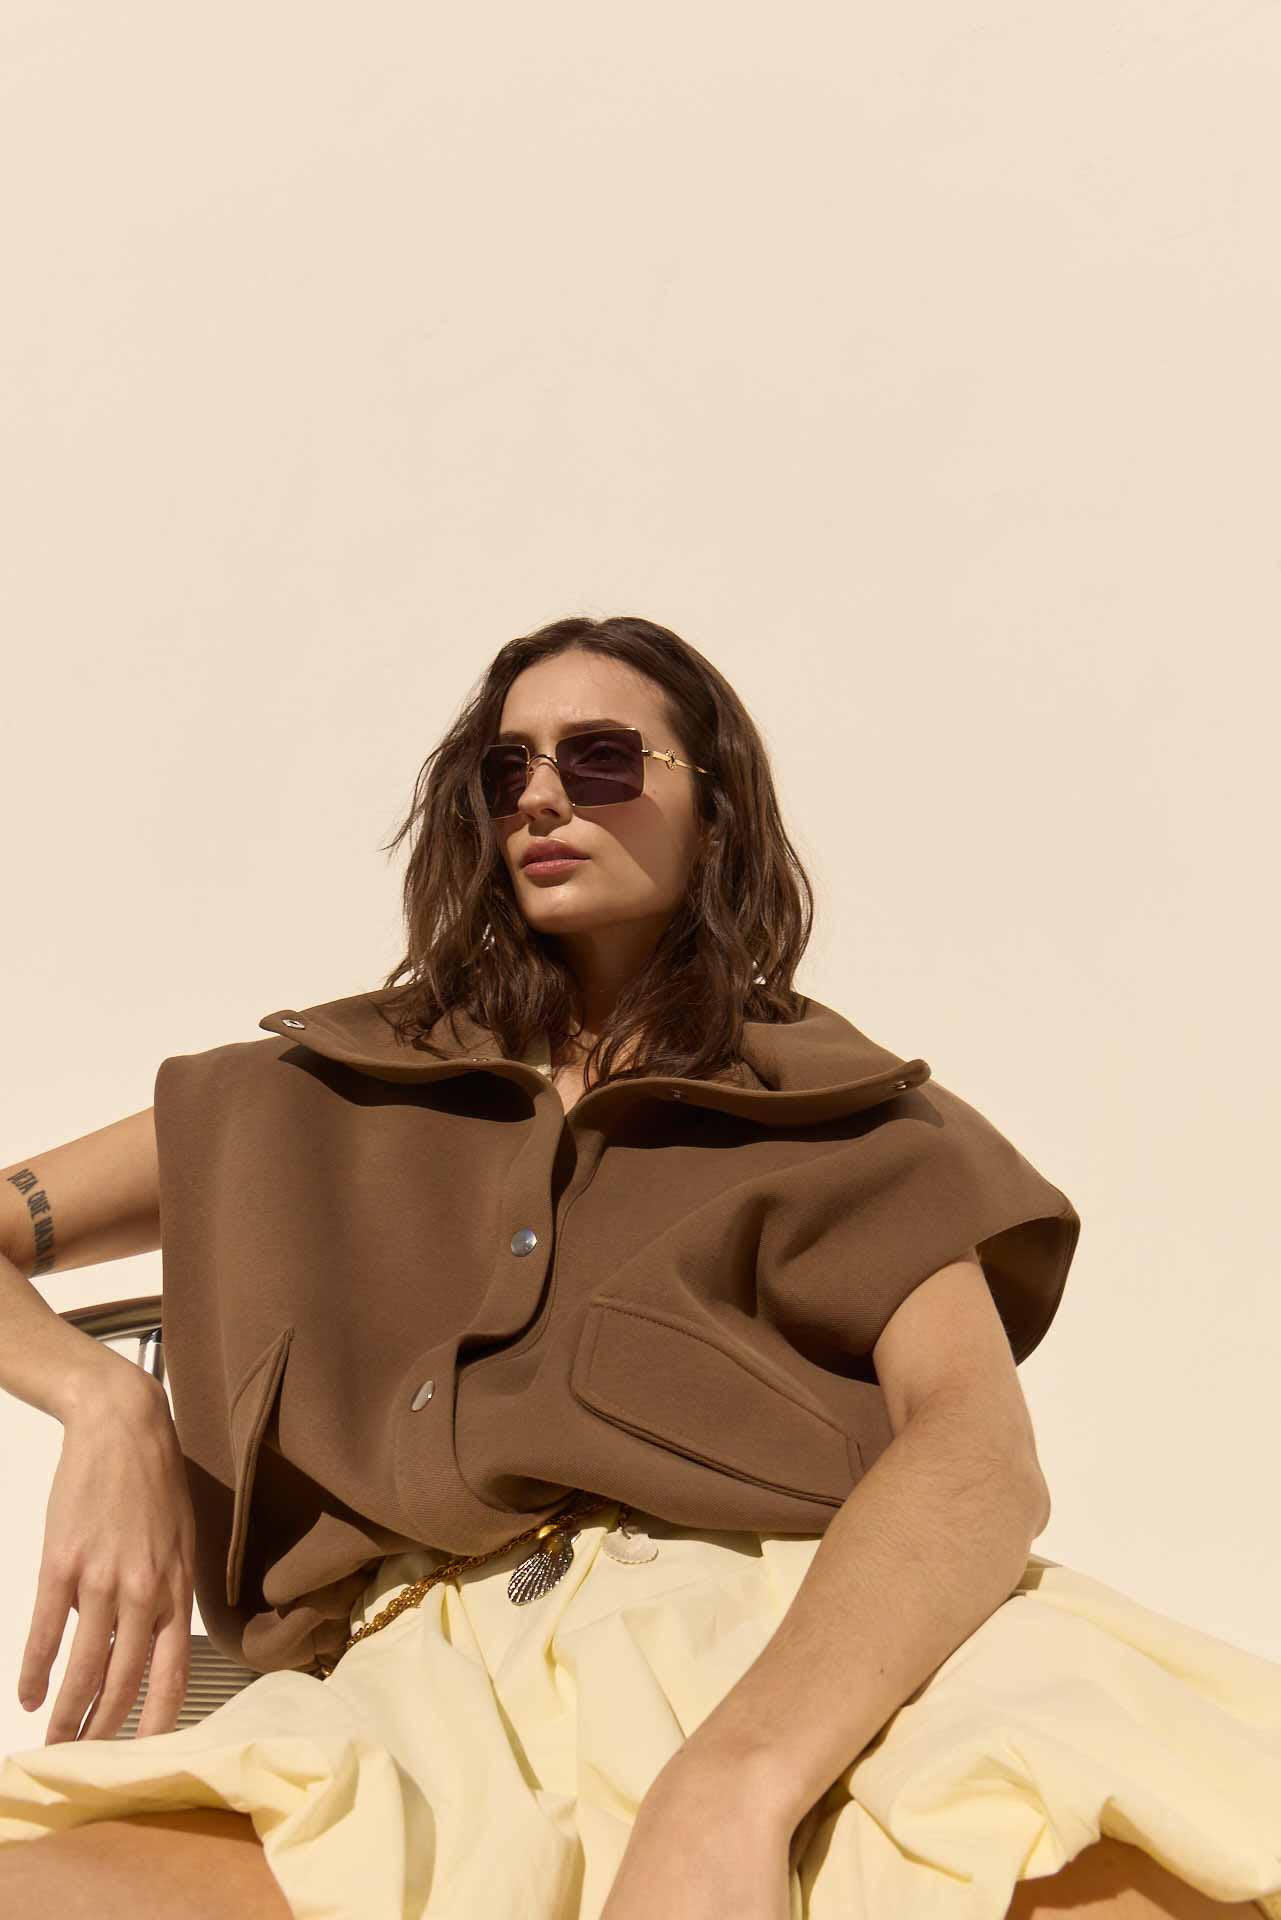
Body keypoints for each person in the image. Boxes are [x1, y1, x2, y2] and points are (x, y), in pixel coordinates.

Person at [0, 613, 1278, 1920]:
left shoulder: (848, 1119)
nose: (541, 795)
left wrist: (732, 1785)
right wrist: (104, 1403)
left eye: (602, 759)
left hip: (814, 1662)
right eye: (506, 769)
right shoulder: (314, 1090)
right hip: (424, 1705)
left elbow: (974, 1451)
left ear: (715, 812)